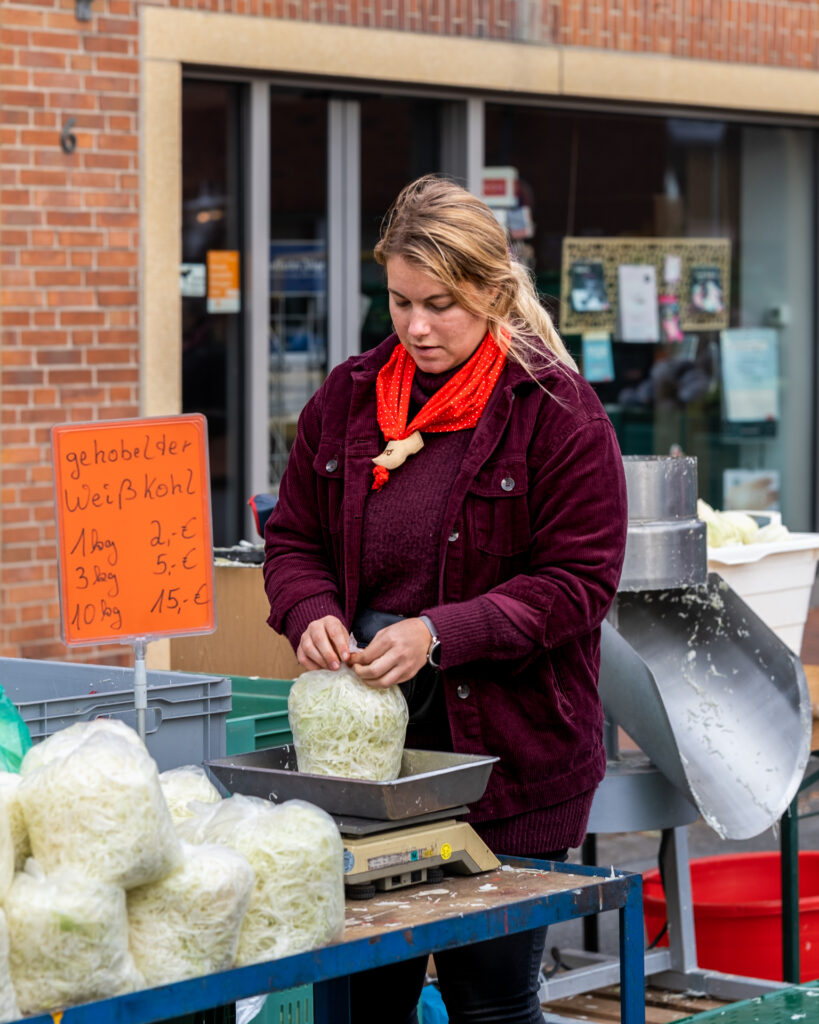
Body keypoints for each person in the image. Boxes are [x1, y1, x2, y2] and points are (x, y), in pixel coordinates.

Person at [263, 175, 628, 1024]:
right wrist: (307, 607)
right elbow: (292, 539)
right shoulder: (348, 399)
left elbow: (577, 584)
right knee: (362, 999)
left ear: (493, 295)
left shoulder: (557, 411)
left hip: (509, 765)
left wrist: (438, 633)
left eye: (441, 305)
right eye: (397, 302)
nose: (416, 327)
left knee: (489, 1004)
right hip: (365, 771)